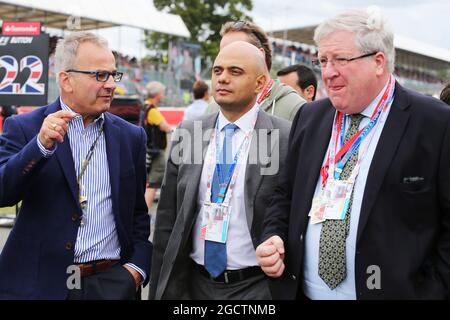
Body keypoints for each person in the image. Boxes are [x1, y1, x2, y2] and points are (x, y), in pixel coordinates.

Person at [256, 8, 450, 300]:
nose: (328, 72)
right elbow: (284, 194)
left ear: (378, 62)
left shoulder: (435, 122)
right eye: (323, 61)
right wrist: (274, 235)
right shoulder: (310, 117)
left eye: (340, 60)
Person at [0, 32, 152, 300]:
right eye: (99, 75)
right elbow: (3, 192)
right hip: (40, 286)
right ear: (66, 80)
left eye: (113, 75)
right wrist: (40, 146)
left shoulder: (131, 137)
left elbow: (137, 213)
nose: (110, 85)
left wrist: (135, 270)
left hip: (111, 284)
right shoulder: (25, 128)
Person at [149, 41, 291, 300]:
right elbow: (167, 220)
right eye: (217, 71)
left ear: (260, 84)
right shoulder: (189, 133)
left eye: (235, 72)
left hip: (258, 288)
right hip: (194, 286)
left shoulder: (285, 137)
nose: (223, 78)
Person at [204, 20, 306, 121]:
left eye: (237, 51)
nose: (223, 77)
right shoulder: (212, 110)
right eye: (223, 52)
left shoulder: (295, 109)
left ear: (260, 55)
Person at [143, 81, 173, 212]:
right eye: (162, 93)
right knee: (153, 183)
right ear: (157, 94)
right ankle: (146, 212)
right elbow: (165, 127)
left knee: (148, 181)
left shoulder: (143, 107)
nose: (163, 95)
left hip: (147, 149)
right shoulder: (153, 110)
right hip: (156, 151)